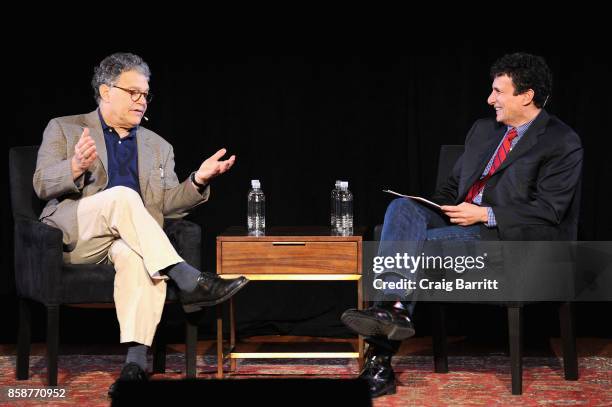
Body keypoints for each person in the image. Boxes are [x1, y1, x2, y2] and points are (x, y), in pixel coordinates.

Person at [341, 52, 583, 397]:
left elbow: (550, 210)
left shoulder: (562, 141)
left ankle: (381, 360)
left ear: (526, 95)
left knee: (415, 247)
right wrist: (439, 206)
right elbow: (452, 189)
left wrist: (483, 214)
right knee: (403, 208)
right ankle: (392, 305)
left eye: (499, 91)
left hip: (506, 236)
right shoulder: (484, 130)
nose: (490, 99)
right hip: (461, 219)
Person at [32, 52, 249, 397]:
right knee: (121, 195)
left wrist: (198, 181)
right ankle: (187, 276)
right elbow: (42, 184)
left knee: (139, 259)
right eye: (133, 92)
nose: (141, 100)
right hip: (76, 236)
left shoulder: (158, 146)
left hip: (129, 240)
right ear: (106, 92)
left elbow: (167, 205)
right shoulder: (65, 127)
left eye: (145, 94)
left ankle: (134, 365)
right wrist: (74, 167)